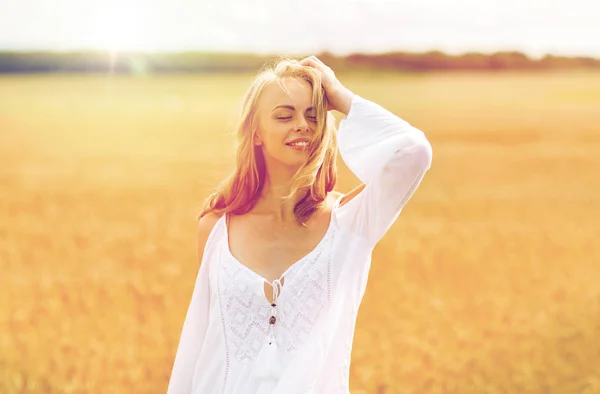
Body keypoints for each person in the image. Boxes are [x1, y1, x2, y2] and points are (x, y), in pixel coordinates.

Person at [166, 55, 433, 394]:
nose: (303, 125)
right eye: (284, 115)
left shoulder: (349, 224)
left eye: (313, 115)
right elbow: (198, 344)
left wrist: (338, 95)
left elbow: (415, 152)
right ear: (257, 133)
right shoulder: (217, 228)